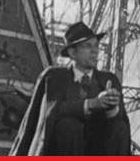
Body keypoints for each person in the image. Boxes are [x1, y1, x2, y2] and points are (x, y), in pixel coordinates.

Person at [8, 21, 131, 156]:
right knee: (69, 126)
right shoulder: (55, 77)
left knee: (120, 128)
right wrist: (91, 104)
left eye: (96, 45)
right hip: (61, 148)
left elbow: (119, 120)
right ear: (73, 53)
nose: (95, 50)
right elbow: (51, 111)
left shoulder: (108, 79)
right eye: (88, 46)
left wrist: (111, 107)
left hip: (98, 148)